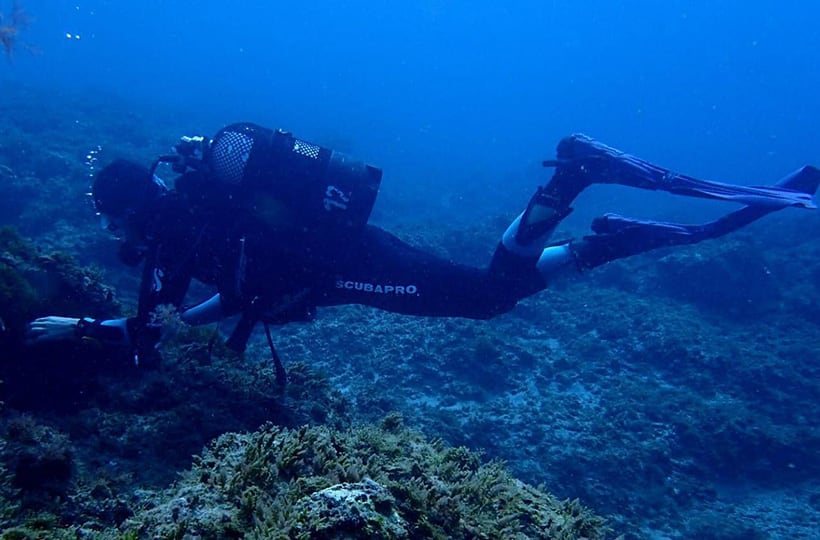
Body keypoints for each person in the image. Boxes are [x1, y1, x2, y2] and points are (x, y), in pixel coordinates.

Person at [27, 123, 819, 379]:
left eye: (107, 219)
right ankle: (595, 240)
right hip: (347, 253)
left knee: (485, 296)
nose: (109, 236)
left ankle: (570, 187)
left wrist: (78, 330)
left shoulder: (174, 234)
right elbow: (235, 289)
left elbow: (178, 324)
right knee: (486, 293)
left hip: (346, 265)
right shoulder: (192, 212)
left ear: (129, 209)